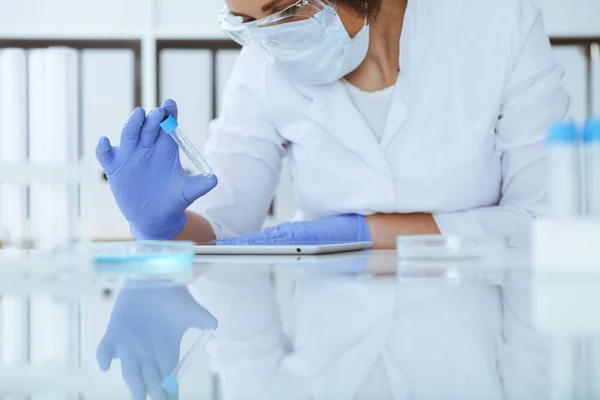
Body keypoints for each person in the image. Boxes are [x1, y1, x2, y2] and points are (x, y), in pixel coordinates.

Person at [95, 0, 570, 249]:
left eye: (285, 9)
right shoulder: (261, 65)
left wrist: (364, 234)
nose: (270, 36)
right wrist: (161, 224)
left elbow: (546, 224)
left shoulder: (498, 23)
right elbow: (222, 230)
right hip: (327, 359)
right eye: (245, 21)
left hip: (474, 348)